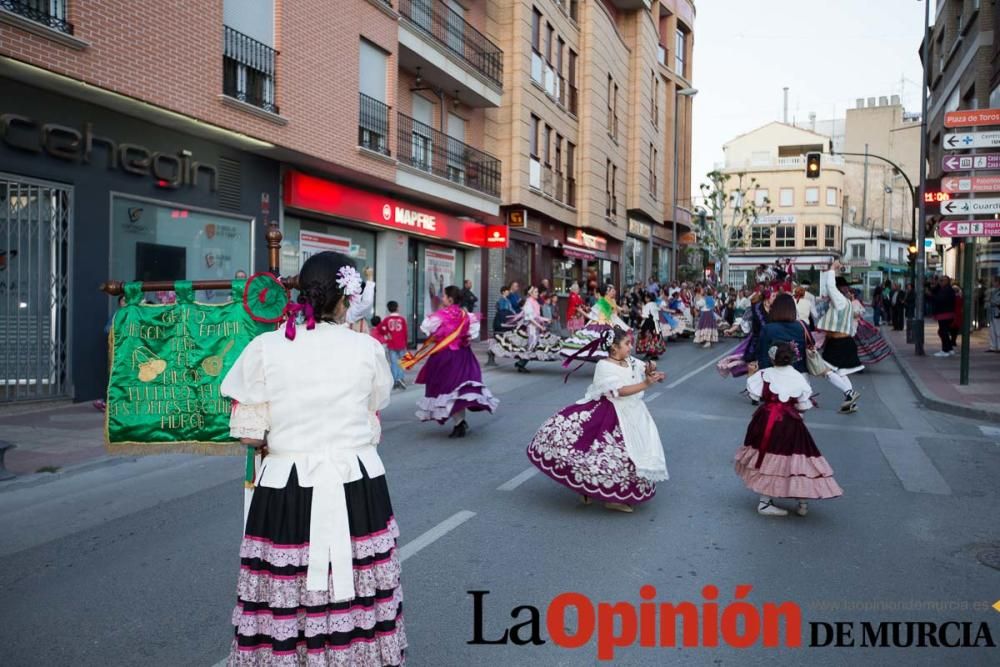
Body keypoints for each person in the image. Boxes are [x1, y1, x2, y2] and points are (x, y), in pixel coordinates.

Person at [219, 251, 405, 665]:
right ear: (346, 299)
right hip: (355, 482)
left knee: (288, 585)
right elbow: (376, 405)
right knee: (356, 583)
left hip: (287, 483)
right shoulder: (366, 349)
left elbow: (249, 434)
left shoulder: (266, 346)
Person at [527, 327, 668, 513]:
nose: (630, 347)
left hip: (634, 412)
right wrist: (646, 384)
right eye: (626, 344)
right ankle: (605, 496)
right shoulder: (604, 365)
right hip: (612, 412)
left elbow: (643, 367)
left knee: (627, 456)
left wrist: (652, 370)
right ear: (614, 348)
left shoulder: (629, 360)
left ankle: (601, 492)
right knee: (606, 453)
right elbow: (619, 391)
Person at [734, 342, 843, 517]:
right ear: (792, 358)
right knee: (796, 457)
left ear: (772, 358)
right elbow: (804, 404)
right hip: (790, 422)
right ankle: (802, 502)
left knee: (769, 457)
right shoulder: (799, 377)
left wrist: (753, 376)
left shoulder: (764, 374)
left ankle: (765, 501)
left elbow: (755, 395)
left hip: (766, 419)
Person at [412, 285, 499, 437]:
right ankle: (460, 422)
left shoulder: (439, 316)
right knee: (458, 390)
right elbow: (472, 334)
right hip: (463, 356)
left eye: (444, 296)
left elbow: (425, 329)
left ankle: (459, 423)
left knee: (449, 389)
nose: (442, 298)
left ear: (450, 299)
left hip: (445, 357)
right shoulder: (466, 315)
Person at [815, 261, 862, 412]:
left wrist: (832, 269)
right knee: (841, 373)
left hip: (839, 343)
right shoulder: (846, 302)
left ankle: (850, 393)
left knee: (825, 371)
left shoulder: (841, 301)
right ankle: (850, 403)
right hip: (844, 341)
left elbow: (830, 287)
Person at [490, 285, 563, 372]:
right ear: (531, 293)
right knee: (530, 346)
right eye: (535, 292)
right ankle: (520, 363)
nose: (537, 293)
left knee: (532, 347)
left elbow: (537, 316)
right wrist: (540, 326)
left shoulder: (535, 302)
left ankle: (521, 363)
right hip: (530, 329)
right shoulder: (528, 302)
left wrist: (546, 319)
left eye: (537, 292)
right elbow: (530, 318)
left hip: (535, 328)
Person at [559, 283, 630, 365]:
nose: (594, 295)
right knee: (603, 342)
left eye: (595, 293)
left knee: (586, 341)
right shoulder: (606, 303)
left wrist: (580, 310)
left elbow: (590, 316)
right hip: (607, 325)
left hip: (598, 324)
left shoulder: (600, 303)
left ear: (598, 294)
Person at [377, 300, 409, 390]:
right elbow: (405, 332)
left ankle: (395, 380)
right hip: (401, 343)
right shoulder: (402, 319)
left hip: (391, 344)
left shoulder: (387, 319)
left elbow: (379, 328)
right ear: (397, 308)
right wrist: (406, 343)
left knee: (394, 363)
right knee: (402, 362)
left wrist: (386, 333)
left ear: (388, 309)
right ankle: (401, 378)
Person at [487, 285, 516, 367]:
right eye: (507, 290)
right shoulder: (502, 301)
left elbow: (510, 310)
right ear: (503, 292)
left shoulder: (507, 300)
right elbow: (504, 311)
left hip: (506, 320)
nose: (508, 292)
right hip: (503, 320)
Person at [931, 275, 957, 357]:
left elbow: (939, 299)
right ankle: (949, 348)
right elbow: (934, 290)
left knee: (943, 332)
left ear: (947, 281)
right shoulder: (944, 289)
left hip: (944, 314)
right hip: (945, 314)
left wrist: (930, 296)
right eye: (940, 280)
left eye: (942, 280)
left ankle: (945, 350)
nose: (941, 282)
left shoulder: (947, 290)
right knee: (943, 332)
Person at [636, 292, 667, 360]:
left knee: (647, 337)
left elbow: (644, 316)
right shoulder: (655, 304)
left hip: (648, 323)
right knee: (655, 337)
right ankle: (654, 353)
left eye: (646, 297)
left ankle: (650, 352)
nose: (645, 298)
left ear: (648, 298)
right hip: (656, 323)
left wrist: (639, 314)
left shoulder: (647, 305)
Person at [989, 276, 1000, 352]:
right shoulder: (993, 291)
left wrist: (992, 302)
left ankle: (999, 346)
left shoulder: (997, 291)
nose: (992, 283)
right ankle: (993, 346)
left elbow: (996, 301)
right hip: (992, 312)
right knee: (992, 330)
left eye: (994, 281)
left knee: (998, 330)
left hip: (997, 312)